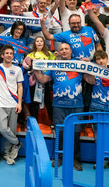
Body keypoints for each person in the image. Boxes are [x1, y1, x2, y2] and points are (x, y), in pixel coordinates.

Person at [33, 43, 84, 171]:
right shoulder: (54, 65)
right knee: (60, 132)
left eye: (66, 49)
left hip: (76, 105)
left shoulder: (79, 64)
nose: (64, 51)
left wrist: (89, 68)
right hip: (59, 105)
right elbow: (43, 79)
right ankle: (59, 157)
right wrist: (35, 69)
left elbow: (91, 80)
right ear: (59, 52)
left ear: (71, 51)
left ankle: (75, 159)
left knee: (76, 133)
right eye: (61, 49)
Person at [0, 44, 23, 165]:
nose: (9, 55)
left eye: (11, 53)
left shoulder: (17, 69)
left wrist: (19, 103)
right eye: (6, 53)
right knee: (2, 128)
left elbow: (20, 86)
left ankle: (7, 153)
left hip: (13, 103)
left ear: (13, 55)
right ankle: (17, 143)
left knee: (11, 129)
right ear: (2, 55)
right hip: (0, 103)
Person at [23, 36, 55, 122]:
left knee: (47, 100)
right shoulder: (30, 55)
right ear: (34, 43)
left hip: (45, 81)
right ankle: (34, 121)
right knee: (34, 102)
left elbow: (54, 65)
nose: (39, 43)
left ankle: (52, 120)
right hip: (34, 82)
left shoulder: (49, 54)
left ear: (44, 43)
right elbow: (26, 67)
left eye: (41, 41)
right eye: (37, 41)